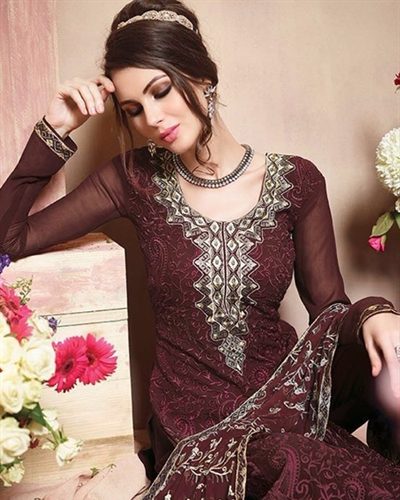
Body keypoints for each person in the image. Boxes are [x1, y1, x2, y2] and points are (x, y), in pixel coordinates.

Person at [0, 1, 399, 498]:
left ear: (203, 76)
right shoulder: (133, 179)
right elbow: (9, 239)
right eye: (133, 110)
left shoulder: (297, 181)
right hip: (193, 421)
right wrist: (56, 126)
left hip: (282, 399)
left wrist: (375, 313)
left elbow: (329, 312)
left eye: (160, 91)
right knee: (297, 462)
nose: (151, 119)